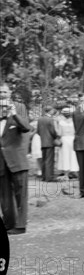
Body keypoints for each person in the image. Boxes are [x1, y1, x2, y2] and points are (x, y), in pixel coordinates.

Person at [0, 97, 30, 235]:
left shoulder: (16, 117)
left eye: (4, 106)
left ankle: (20, 225)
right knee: (4, 196)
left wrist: (14, 114)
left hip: (17, 161)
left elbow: (26, 127)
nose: (2, 109)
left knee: (21, 195)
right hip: (1, 164)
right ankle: (8, 223)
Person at [37, 105, 60, 182]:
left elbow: (38, 131)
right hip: (50, 142)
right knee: (49, 160)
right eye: (53, 110)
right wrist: (56, 136)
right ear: (50, 111)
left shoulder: (40, 119)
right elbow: (53, 131)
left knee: (44, 160)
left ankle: (44, 177)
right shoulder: (50, 120)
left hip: (42, 141)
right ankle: (49, 177)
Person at [56, 107, 79, 179]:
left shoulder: (61, 122)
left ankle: (66, 174)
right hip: (72, 139)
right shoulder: (74, 121)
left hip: (64, 139)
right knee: (73, 155)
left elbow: (59, 133)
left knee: (65, 155)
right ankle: (74, 171)